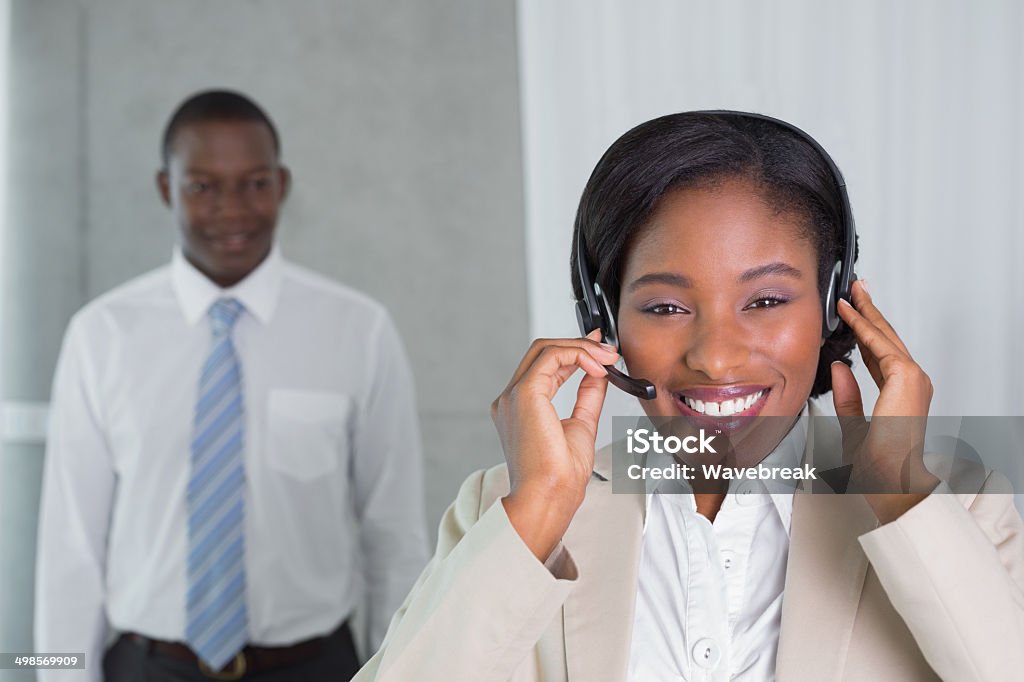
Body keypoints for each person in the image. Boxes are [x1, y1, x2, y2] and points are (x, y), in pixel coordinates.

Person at [352, 111, 1024, 680]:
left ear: (832, 307)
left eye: (765, 300)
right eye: (667, 306)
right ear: (606, 322)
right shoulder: (513, 508)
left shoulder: (958, 508)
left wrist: (899, 490)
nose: (716, 355)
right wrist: (539, 512)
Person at [35, 90, 429, 681]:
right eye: (202, 186)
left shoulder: (358, 330)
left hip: (315, 667)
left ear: (283, 184)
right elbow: (70, 547)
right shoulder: (101, 335)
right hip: (147, 667)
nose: (232, 209)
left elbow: (394, 534)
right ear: (167, 188)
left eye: (254, 183)